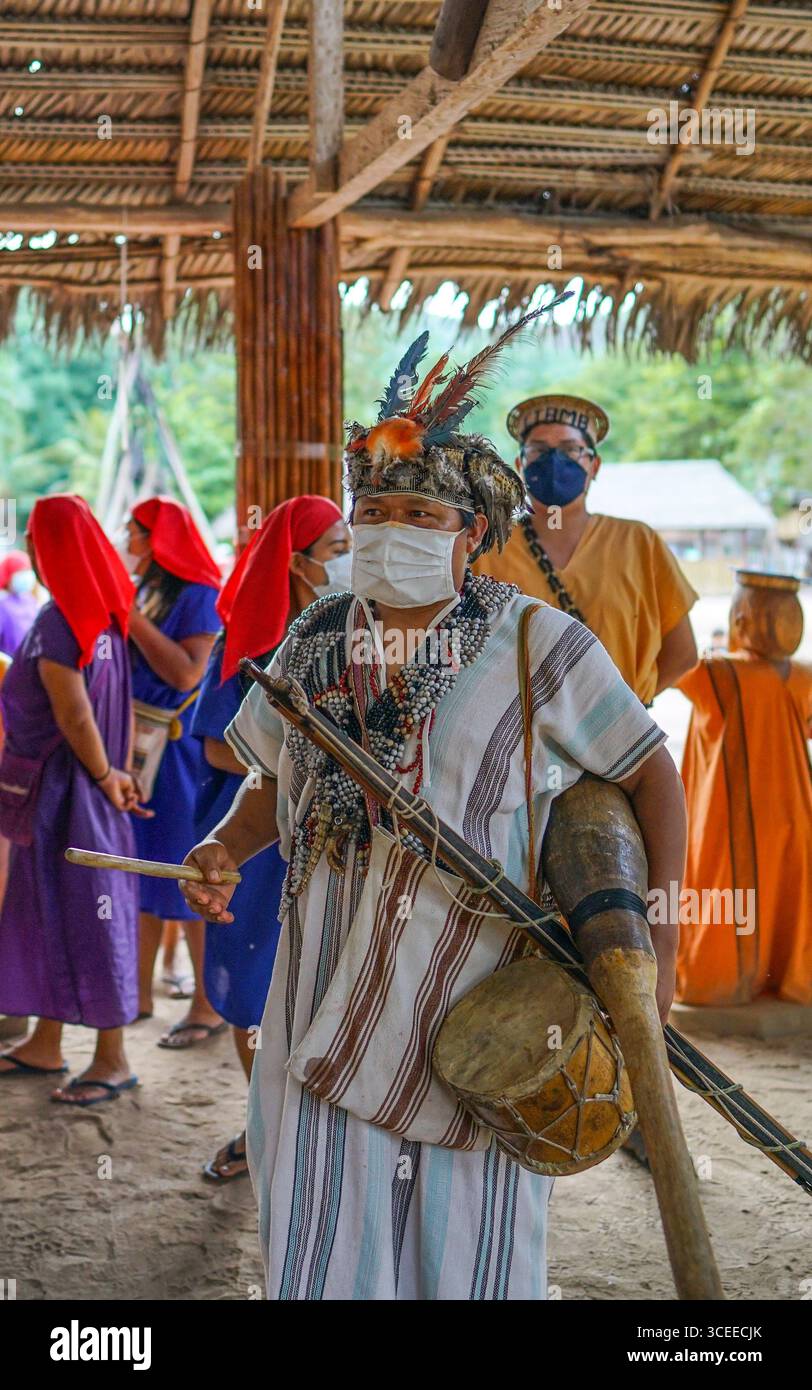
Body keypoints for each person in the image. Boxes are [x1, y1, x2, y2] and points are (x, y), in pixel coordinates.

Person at [180, 324, 687, 1300]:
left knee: (468, 1256)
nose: (389, 528)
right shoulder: (312, 636)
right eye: (373, 509)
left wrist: (652, 953)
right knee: (321, 1242)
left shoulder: (539, 644)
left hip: (477, 1004)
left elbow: (650, 777)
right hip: (319, 986)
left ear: (472, 534)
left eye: (419, 511)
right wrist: (220, 845)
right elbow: (273, 780)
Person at [193, 495, 351, 1182]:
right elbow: (216, 748)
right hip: (257, 837)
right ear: (297, 562)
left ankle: (312, 1135)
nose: (350, 558)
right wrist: (301, 757)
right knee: (258, 977)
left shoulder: (357, 634)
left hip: (329, 839)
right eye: (338, 546)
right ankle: (265, 1130)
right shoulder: (252, 637)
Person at [0, 496, 146, 1104]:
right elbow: (122, 703)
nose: (32, 549)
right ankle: (46, 1041)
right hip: (89, 786)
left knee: (92, 913)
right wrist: (122, 769)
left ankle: (112, 1059)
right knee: (52, 911)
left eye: (37, 539)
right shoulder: (104, 612)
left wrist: (108, 773)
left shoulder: (61, 620)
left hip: (72, 792)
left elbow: (72, 712)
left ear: (48, 547)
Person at [475, 393, 699, 704]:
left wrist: (625, 712)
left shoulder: (638, 543)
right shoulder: (487, 545)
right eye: (539, 450)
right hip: (516, 744)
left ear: (594, 465)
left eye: (570, 450)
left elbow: (683, 654)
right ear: (520, 465)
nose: (554, 461)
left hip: (620, 742)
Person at [676, 573, 812, 1007]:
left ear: (742, 616)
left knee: (729, 898)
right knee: (785, 899)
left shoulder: (720, 674)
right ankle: (786, 980)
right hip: (793, 816)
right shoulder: (802, 677)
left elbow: (670, 662)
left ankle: (724, 982)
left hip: (731, 820)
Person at [122, 496, 222, 1046]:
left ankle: (206, 1007)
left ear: (159, 540)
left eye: (135, 533)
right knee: (141, 866)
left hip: (177, 752)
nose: (127, 541)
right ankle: (135, 994)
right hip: (143, 750)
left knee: (187, 870)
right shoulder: (151, 589)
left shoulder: (199, 594)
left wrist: (132, 620)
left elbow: (187, 675)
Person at [0, 549, 40, 657]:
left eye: (27, 570)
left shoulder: (31, 601)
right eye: (20, 571)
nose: (25, 576)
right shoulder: (2, 603)